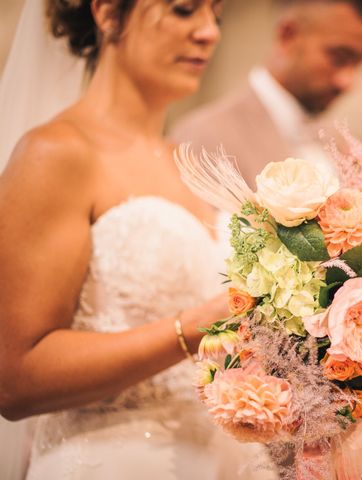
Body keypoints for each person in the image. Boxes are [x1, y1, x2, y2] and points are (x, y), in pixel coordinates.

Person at [0, 0, 274, 478]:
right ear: (108, 14)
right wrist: (193, 326)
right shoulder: (56, 152)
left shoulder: (186, 164)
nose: (209, 33)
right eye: (185, 10)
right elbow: (15, 379)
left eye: (218, 16)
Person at [169, 0, 362, 188]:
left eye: (359, 65)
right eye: (339, 57)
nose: (348, 82)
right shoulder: (204, 135)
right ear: (287, 35)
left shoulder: (338, 141)